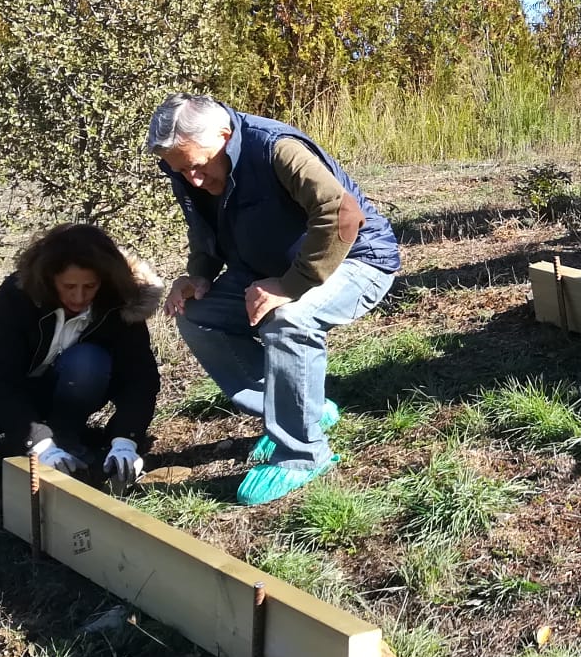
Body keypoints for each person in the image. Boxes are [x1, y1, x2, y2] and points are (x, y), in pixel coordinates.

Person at [149, 95, 402, 506]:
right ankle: (300, 410)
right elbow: (205, 228)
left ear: (225, 137)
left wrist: (291, 285)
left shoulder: (273, 147)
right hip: (265, 271)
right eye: (181, 170)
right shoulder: (186, 164)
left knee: (289, 319)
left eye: (197, 165)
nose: (192, 178)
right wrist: (198, 275)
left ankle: (302, 454)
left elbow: (341, 214)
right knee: (197, 314)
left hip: (357, 259)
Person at [0, 224, 162, 487]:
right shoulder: (15, 299)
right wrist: (39, 443)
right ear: (49, 278)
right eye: (68, 286)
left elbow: (140, 378)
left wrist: (126, 440)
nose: (79, 296)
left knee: (88, 362)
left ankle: (66, 435)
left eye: (89, 286)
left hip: (62, 389)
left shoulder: (120, 304)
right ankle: (16, 450)